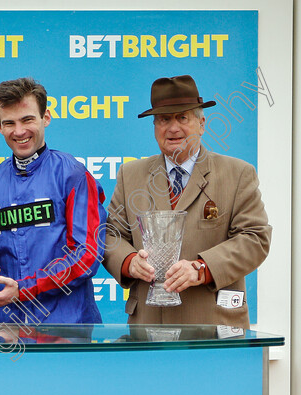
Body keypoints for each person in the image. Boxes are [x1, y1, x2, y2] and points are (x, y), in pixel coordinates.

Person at [103, 75, 271, 327]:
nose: (173, 128)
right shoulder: (131, 175)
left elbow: (255, 238)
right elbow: (110, 235)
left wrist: (201, 269)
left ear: (202, 124)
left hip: (215, 327)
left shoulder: (237, 174)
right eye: (163, 119)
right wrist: (129, 263)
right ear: (154, 126)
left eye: (183, 117)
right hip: (148, 327)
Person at [0, 77, 107, 325]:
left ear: (46, 117)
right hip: (7, 331)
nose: (19, 131)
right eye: (9, 123)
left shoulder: (74, 176)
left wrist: (24, 289)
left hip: (67, 332)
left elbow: (86, 255)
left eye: (27, 120)